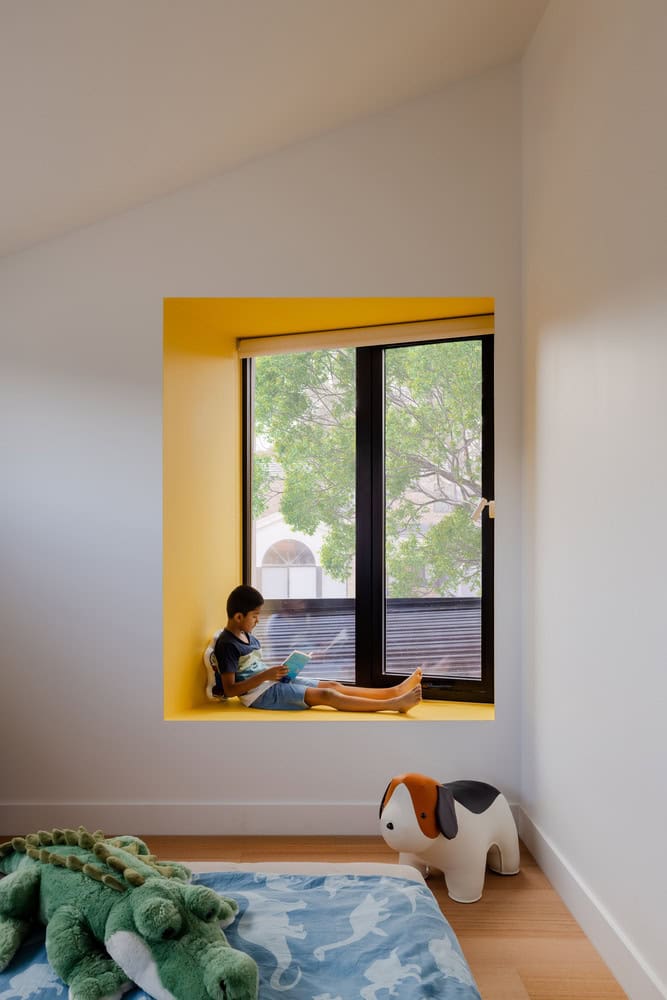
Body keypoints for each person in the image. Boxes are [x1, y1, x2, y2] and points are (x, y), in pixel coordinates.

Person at [210, 585, 422, 714]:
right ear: (239, 617)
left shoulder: (247, 635)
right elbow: (230, 691)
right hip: (258, 695)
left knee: (333, 684)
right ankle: (394, 704)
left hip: (268, 682)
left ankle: (392, 691)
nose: (258, 620)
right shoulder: (227, 644)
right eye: (254, 616)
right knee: (327, 695)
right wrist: (267, 674)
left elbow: (254, 668)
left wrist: (281, 671)